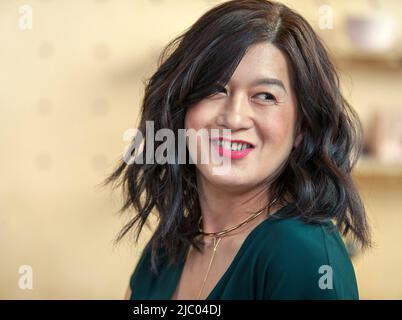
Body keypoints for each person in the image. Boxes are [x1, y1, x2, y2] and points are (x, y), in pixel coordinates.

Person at [105, 0, 371, 300]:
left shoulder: (303, 256)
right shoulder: (168, 247)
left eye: (265, 96)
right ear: (182, 111)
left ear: (302, 128)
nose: (233, 118)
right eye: (215, 89)